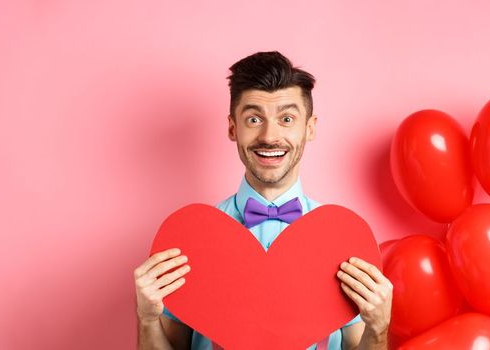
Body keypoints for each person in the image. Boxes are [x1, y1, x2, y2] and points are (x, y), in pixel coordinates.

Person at [133, 51, 393, 350]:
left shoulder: (342, 237)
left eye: (286, 119)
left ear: (309, 128)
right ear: (233, 128)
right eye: (254, 119)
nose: (270, 135)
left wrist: (379, 328)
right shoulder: (191, 237)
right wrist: (146, 318)